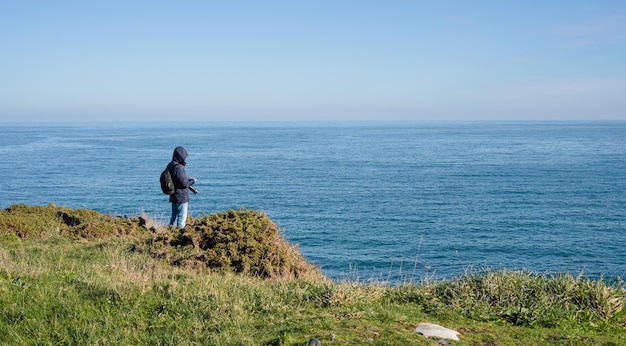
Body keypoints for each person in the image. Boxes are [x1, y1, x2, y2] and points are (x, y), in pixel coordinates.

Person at [167, 146, 196, 228]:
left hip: (173, 195)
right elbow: (185, 183)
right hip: (181, 196)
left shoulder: (170, 165)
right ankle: (178, 237)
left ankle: (169, 234)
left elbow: (177, 180)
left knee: (174, 217)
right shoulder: (179, 168)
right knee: (181, 220)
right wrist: (192, 181)